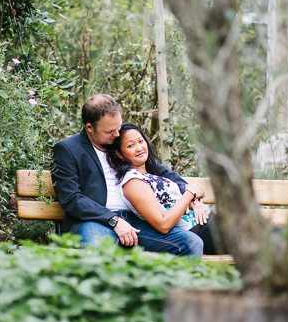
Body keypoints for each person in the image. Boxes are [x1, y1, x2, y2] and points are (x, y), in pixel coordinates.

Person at [52, 94, 204, 257]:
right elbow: (72, 198)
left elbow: (161, 171)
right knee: (98, 252)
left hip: (137, 221)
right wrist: (113, 219)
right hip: (95, 221)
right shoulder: (68, 150)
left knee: (191, 243)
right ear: (90, 128)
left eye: (118, 127)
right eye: (110, 131)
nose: (117, 134)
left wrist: (190, 193)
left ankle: (173, 283)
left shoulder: (117, 144)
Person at [106, 122, 220, 254]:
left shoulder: (151, 172)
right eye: (131, 145)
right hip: (200, 230)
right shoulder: (132, 181)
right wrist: (190, 193)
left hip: (210, 221)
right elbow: (163, 224)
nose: (139, 148)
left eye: (141, 141)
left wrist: (194, 199)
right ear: (119, 154)